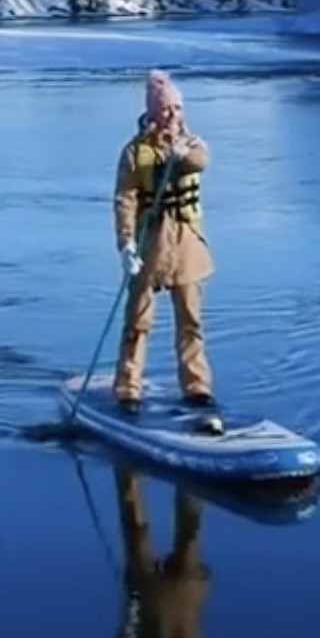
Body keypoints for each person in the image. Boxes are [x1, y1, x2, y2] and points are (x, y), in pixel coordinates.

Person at [112, 69, 215, 413]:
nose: (173, 115)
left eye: (177, 108)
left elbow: (201, 160)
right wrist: (126, 244)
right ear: (152, 112)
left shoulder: (192, 143)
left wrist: (180, 157)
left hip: (186, 245)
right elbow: (125, 199)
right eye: (166, 109)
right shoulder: (134, 152)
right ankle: (128, 387)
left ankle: (197, 387)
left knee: (191, 320)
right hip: (149, 245)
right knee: (138, 320)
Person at [110, 465, 210, 638]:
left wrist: (131, 613)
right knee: (168, 534)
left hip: (166, 607)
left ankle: (130, 467)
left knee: (144, 532)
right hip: (173, 609)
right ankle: (140, 469)